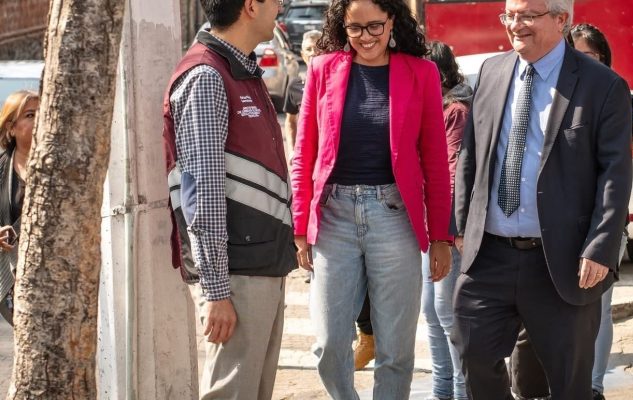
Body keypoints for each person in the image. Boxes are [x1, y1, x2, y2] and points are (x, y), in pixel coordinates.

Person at [451, 0, 633, 397]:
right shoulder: (490, 72)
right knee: (472, 352)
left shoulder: (601, 85)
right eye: (509, 15)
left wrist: (601, 247)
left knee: (568, 382)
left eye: (527, 16)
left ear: (560, 20)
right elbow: (472, 153)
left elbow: (615, 173)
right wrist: (462, 225)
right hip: (489, 256)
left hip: (562, 260)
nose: (516, 25)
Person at [290, 0, 452, 396]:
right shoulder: (322, 69)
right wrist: (299, 225)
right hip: (334, 216)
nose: (366, 37)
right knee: (329, 344)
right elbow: (303, 152)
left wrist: (441, 237)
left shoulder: (422, 73)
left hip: (394, 215)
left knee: (396, 350)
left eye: (375, 27)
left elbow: (435, 159)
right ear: (342, 27)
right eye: (355, 28)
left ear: (392, 21)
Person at [162, 0, 297, 398]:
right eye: (275, 1)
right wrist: (217, 291)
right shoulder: (207, 76)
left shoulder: (238, 68)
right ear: (251, 7)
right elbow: (201, 194)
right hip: (237, 273)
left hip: (259, 264)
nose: (282, 7)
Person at [508, 23, 633, 400]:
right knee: (529, 334)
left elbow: (614, 173)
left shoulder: (611, 95)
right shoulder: (541, 95)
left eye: (589, 55)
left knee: (591, 318)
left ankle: (591, 387)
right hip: (539, 237)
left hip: (593, 234)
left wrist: (601, 241)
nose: (578, 62)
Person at [420, 40, 472, 400]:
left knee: (446, 311)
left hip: (446, 228)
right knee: (430, 311)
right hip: (426, 227)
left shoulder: (454, 111)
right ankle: (442, 391)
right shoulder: (431, 108)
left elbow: (452, 171)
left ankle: (461, 390)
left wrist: (451, 231)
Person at [0, 90, 38, 325]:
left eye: (44, 113)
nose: (40, 120)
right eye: (30, 115)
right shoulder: (1, 168)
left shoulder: (61, 165)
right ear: (11, 128)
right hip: (16, 276)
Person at [283, 29, 322, 160]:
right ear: (302, 54)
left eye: (317, 48)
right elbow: (290, 121)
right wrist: (292, 150)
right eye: (309, 49)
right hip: (307, 154)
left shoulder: (337, 81)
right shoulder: (295, 85)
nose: (313, 53)